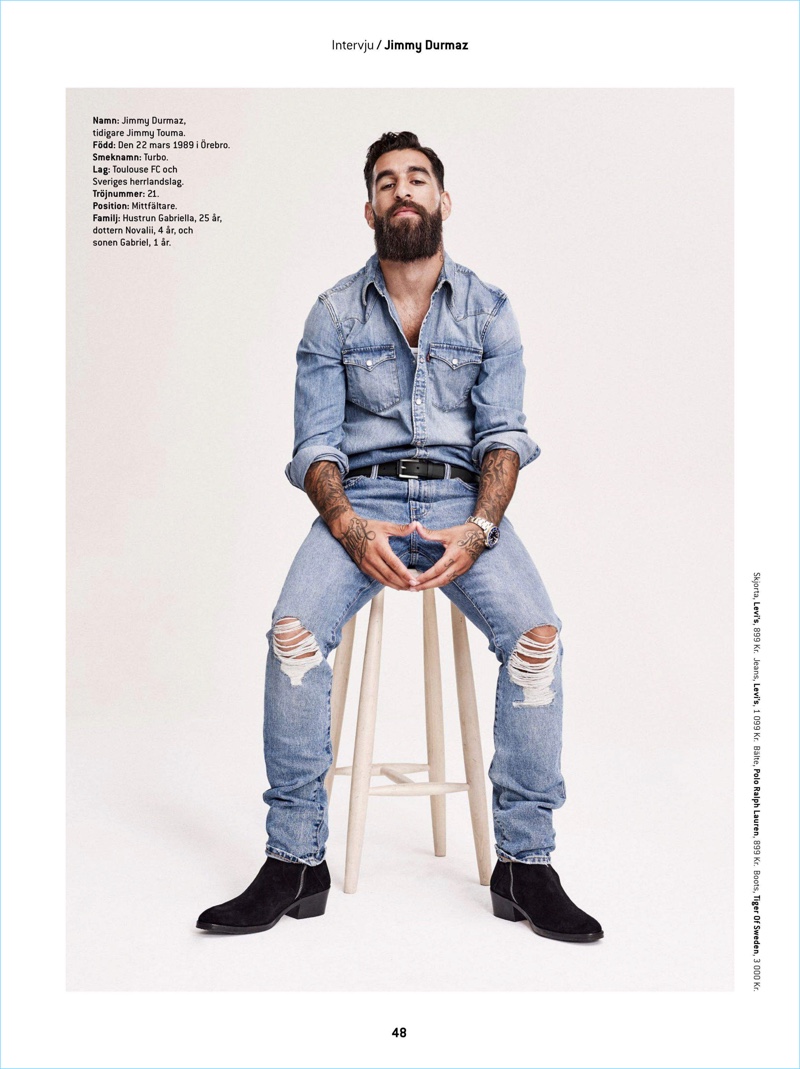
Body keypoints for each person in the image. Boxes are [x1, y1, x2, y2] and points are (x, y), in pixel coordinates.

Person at [197, 131, 603, 942]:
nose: (403, 191)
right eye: (387, 182)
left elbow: (505, 436)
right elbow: (314, 446)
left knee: (539, 639)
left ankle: (525, 862)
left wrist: (481, 527)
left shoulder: (489, 309)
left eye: (418, 179)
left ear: (443, 201)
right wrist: (348, 527)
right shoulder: (333, 312)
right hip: (364, 501)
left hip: (463, 503)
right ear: (370, 208)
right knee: (291, 634)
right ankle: (295, 859)